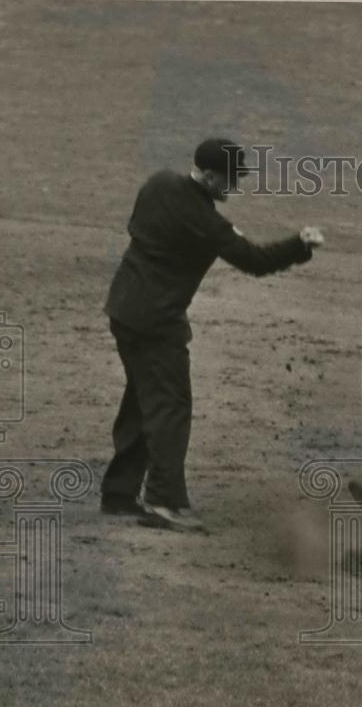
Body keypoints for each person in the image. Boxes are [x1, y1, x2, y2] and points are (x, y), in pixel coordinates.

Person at [100, 137, 324, 531]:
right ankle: (163, 501)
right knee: (170, 406)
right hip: (157, 323)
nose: (234, 187)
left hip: (123, 308)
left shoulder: (158, 183)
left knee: (142, 398)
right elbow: (255, 261)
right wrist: (299, 245)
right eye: (229, 179)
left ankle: (119, 494)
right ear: (207, 175)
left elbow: (137, 225)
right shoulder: (206, 221)